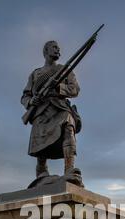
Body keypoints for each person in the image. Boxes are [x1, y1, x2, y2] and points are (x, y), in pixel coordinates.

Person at [21, 40, 81, 179]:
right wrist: (31, 101)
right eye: (54, 47)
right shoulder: (36, 74)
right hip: (41, 110)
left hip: (60, 107)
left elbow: (75, 89)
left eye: (58, 48)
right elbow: (25, 96)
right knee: (41, 143)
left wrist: (59, 88)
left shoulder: (64, 70)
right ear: (46, 51)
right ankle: (41, 173)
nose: (57, 50)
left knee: (68, 125)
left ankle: (69, 169)